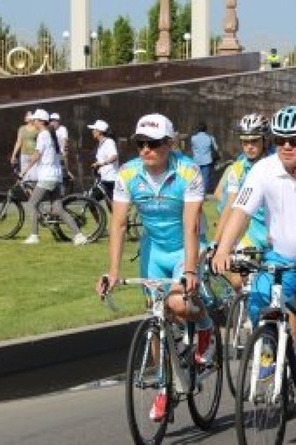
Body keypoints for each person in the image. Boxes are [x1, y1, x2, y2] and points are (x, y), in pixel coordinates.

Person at [211, 105, 296, 438]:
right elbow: (241, 211)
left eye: (294, 140)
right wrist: (223, 249)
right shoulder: (263, 169)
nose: (286, 146)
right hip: (280, 257)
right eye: (280, 140)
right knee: (257, 300)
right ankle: (270, 348)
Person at [95, 113, 215, 423]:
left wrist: (189, 271)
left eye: (154, 144)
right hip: (153, 249)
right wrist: (112, 270)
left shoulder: (188, 171)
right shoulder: (127, 173)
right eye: (140, 143)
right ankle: (165, 386)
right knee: (155, 318)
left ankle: (205, 327)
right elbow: (119, 224)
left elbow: (191, 226)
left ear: (170, 144)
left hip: (185, 247)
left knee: (178, 302)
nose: (146, 149)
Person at [212, 113, 273, 291]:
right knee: (238, 280)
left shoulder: (277, 164)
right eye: (245, 142)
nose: (249, 147)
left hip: (276, 231)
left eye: (254, 141)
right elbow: (230, 207)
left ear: (265, 140)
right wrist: (216, 243)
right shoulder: (237, 169)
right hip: (253, 233)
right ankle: (244, 317)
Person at [19, 109, 88, 246]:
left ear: (40, 121)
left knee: (32, 203)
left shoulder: (43, 135)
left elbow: (37, 154)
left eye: (34, 120)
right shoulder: (50, 134)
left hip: (48, 177)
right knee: (58, 208)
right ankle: (79, 235)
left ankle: (34, 235)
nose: (33, 122)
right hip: (55, 176)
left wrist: (24, 171)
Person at [88, 119, 119, 203]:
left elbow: (114, 156)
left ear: (99, 132)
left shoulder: (109, 142)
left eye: (94, 130)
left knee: (113, 207)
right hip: (104, 180)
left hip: (111, 180)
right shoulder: (100, 145)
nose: (92, 131)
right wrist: (98, 168)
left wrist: (102, 163)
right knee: (91, 201)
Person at [189, 122, 219, 194]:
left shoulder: (193, 138)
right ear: (206, 129)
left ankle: (195, 192)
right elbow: (216, 148)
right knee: (205, 178)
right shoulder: (210, 138)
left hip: (196, 160)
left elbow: (192, 148)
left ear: (198, 129)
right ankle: (204, 193)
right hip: (207, 160)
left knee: (195, 177)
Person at [10, 111, 39, 182]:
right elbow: (18, 142)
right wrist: (13, 155)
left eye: (29, 116)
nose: (27, 117)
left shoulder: (37, 128)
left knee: (34, 176)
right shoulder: (22, 129)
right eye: (26, 116)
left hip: (34, 155)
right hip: (24, 154)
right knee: (24, 176)